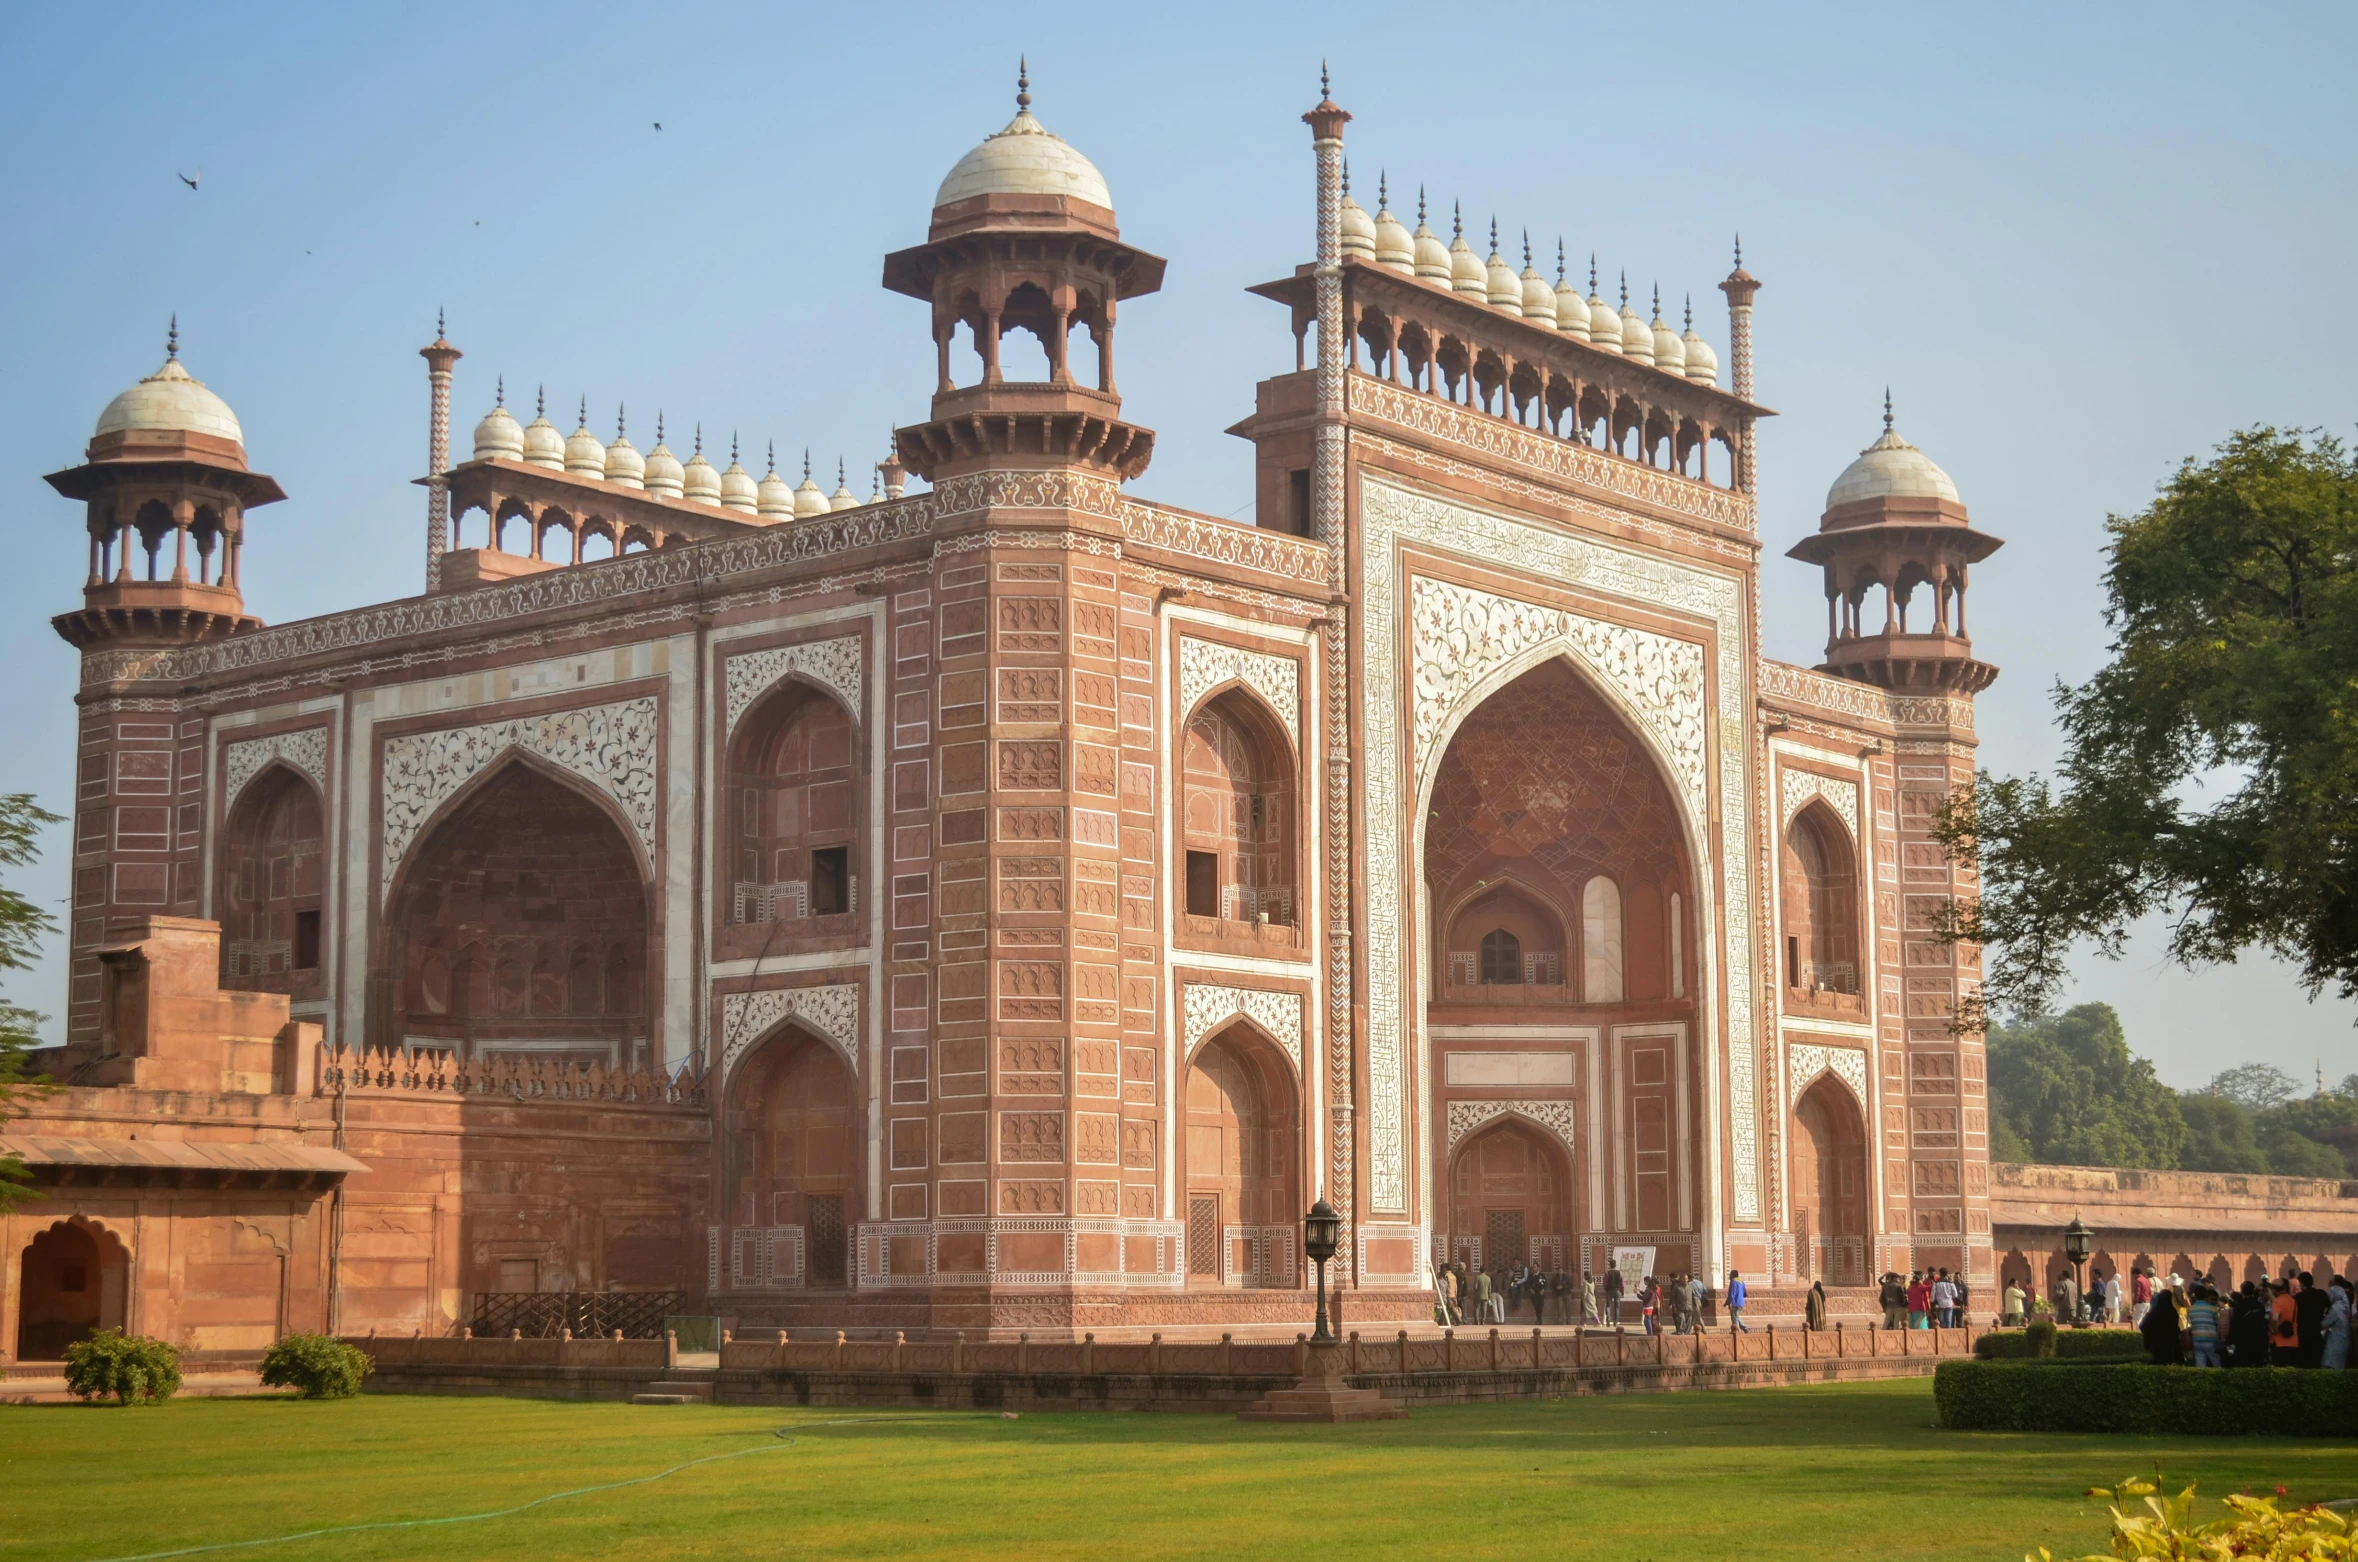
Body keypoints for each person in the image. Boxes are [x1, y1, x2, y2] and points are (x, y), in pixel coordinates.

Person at [2227, 1280, 2270, 1368]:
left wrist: (2230, 1341)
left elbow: (2234, 1324)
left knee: (2243, 1366)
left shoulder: (2239, 1305)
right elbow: (2263, 1322)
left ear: (2242, 1290)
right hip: (2257, 1340)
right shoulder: (2259, 1305)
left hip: (2242, 1341)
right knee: (2257, 1366)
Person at [2293, 1271, 2330, 1369]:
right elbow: (2330, 1308)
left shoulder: (2298, 1297)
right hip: (2317, 1332)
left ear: (2301, 1283)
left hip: (2303, 1334)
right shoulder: (2321, 1294)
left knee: (2304, 1364)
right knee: (2316, 1362)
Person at [2141, 1285, 2185, 1365]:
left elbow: (2144, 1326)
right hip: (2170, 1344)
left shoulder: (2153, 1313)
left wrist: (2148, 1340)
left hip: (2156, 1343)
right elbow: (2175, 1328)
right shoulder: (2172, 1312)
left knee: (2159, 1363)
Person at [2187, 1282, 2223, 1368]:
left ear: (2195, 1295)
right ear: (2206, 1295)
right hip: (2211, 1339)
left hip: (2196, 1339)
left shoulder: (2190, 1309)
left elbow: (2190, 1323)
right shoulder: (2212, 1308)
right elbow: (2218, 1323)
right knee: (2216, 1364)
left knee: (2200, 1366)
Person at [2323, 1278, 2351, 1370]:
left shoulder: (2336, 1308)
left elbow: (2324, 1323)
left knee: (2330, 1369)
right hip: (2343, 1340)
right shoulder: (2345, 1306)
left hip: (2335, 1341)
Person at [2269, 1279, 2299, 1365]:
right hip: (2293, 1340)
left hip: (2279, 1342)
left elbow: (2275, 1318)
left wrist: (2273, 1330)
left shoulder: (2277, 1302)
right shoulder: (2293, 1301)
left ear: (2274, 1290)